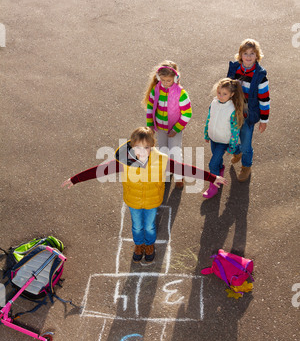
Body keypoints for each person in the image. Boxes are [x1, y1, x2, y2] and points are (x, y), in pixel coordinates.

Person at [62, 127, 226, 263]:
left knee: (149, 226)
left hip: (152, 201)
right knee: (137, 226)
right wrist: (75, 179)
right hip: (133, 200)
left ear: (152, 146)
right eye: (138, 148)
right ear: (132, 147)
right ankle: (138, 244)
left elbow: (185, 169)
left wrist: (212, 177)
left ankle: (149, 245)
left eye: (146, 148)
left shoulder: (161, 160)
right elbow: (98, 170)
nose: (142, 152)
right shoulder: (123, 161)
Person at [142, 60, 192, 189]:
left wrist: (176, 129)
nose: (165, 83)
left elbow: (187, 114)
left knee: (175, 152)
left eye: (168, 80)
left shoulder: (181, 93)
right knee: (163, 151)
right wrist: (150, 125)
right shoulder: (156, 89)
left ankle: (179, 176)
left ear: (175, 78)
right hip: (160, 128)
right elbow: (150, 108)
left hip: (174, 128)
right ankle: (167, 172)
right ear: (158, 77)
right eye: (162, 80)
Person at [227, 38, 270, 182]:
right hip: (233, 111)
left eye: (252, 53)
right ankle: (237, 152)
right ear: (240, 55)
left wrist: (264, 120)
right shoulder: (235, 69)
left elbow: (264, 100)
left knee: (246, 144)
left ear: (257, 56)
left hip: (247, 114)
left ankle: (246, 166)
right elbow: (226, 87)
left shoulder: (260, 76)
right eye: (245, 53)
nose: (249, 56)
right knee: (230, 139)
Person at [203, 78, 244, 198]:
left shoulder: (232, 109)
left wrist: (231, 145)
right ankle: (221, 169)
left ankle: (213, 187)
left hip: (224, 141)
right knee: (217, 163)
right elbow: (209, 118)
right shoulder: (214, 103)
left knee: (212, 164)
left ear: (232, 94)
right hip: (214, 138)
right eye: (219, 93)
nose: (220, 96)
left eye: (224, 94)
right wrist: (206, 133)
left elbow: (235, 130)